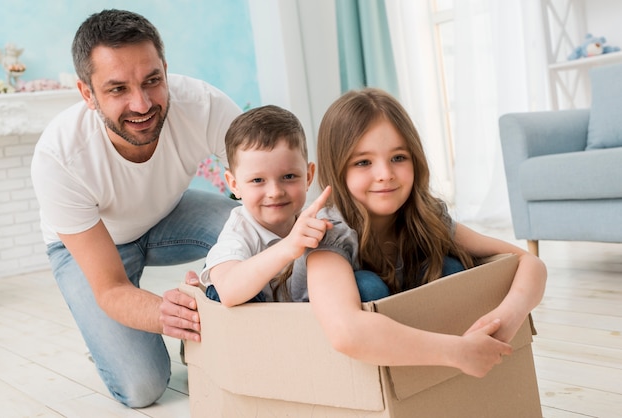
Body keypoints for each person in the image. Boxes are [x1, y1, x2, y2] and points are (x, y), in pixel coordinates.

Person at [30, 9, 241, 408]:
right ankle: (104, 341)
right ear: (87, 94)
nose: (141, 104)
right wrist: (172, 313)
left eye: (152, 81)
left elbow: (270, 181)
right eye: (117, 90)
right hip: (93, 247)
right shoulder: (60, 156)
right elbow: (110, 288)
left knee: (256, 231)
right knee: (143, 388)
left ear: (165, 69)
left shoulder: (203, 104)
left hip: (168, 216)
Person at [305, 87, 547, 378]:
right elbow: (346, 333)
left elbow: (528, 262)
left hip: (426, 352)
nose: (385, 173)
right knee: (368, 289)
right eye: (363, 162)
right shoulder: (327, 234)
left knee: (451, 268)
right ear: (337, 170)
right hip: (343, 366)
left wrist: (502, 320)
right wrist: (459, 351)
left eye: (398, 157)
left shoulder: (424, 216)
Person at [200, 105, 388, 306]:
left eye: (289, 177)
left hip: (319, 312)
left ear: (308, 176)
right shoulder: (240, 231)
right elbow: (228, 291)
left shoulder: (320, 218)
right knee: (217, 291)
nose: (275, 192)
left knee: (368, 284)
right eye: (257, 180)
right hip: (265, 326)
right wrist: (289, 246)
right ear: (234, 185)